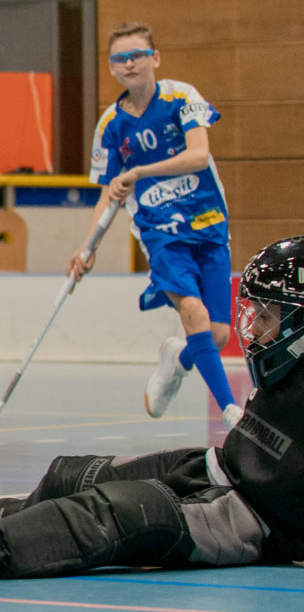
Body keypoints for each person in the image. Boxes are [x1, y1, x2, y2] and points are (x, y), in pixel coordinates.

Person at [0, 235, 304, 581]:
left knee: (117, 512)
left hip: (251, 520)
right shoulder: (288, 367)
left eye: (267, 317)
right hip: (218, 466)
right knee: (67, 475)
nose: (252, 331)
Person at [69, 21, 239, 424]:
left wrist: (140, 171)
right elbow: (107, 194)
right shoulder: (110, 125)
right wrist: (87, 247)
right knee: (193, 313)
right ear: (111, 68)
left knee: (216, 336)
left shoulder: (183, 97)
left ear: (155, 59)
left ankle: (175, 360)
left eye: (137, 55)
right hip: (160, 232)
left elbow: (198, 156)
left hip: (209, 223)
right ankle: (232, 411)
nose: (129, 64)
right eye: (119, 59)